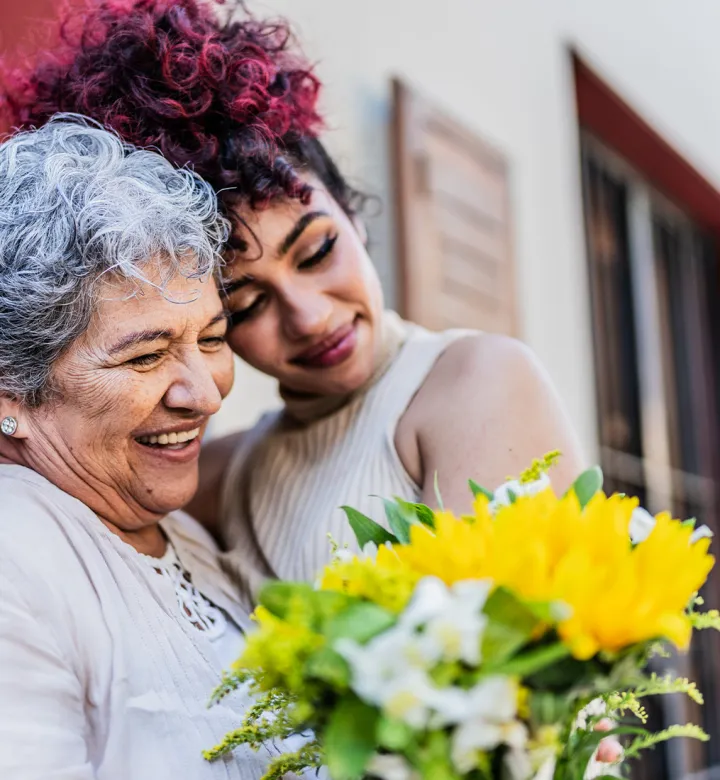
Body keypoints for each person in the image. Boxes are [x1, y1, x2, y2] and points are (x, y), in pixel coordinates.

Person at [3, 2, 622, 768]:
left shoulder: (471, 384)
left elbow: (549, 723)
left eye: (319, 247)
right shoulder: (217, 478)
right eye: (247, 303)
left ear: (352, 212)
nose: (308, 314)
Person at [0, 115, 300, 780]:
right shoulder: (14, 560)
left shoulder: (181, 537)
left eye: (213, 338)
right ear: (10, 391)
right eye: (147, 354)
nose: (205, 393)